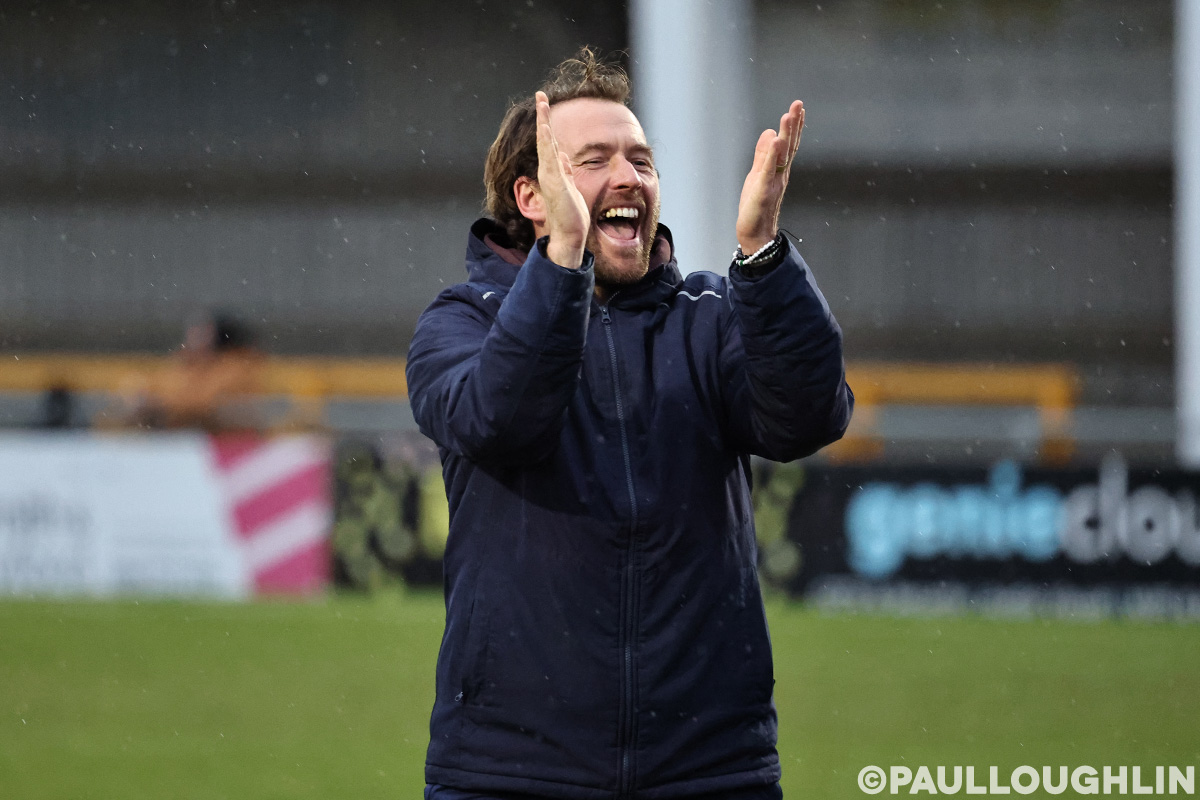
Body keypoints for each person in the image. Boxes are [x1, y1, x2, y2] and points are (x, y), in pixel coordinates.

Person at [406, 48, 853, 800]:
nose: (628, 177)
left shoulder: (711, 316)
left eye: (641, 161)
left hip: (709, 768)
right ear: (532, 196)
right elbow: (502, 420)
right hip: (509, 769)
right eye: (594, 160)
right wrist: (564, 263)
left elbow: (808, 417)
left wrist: (763, 255)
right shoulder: (461, 322)